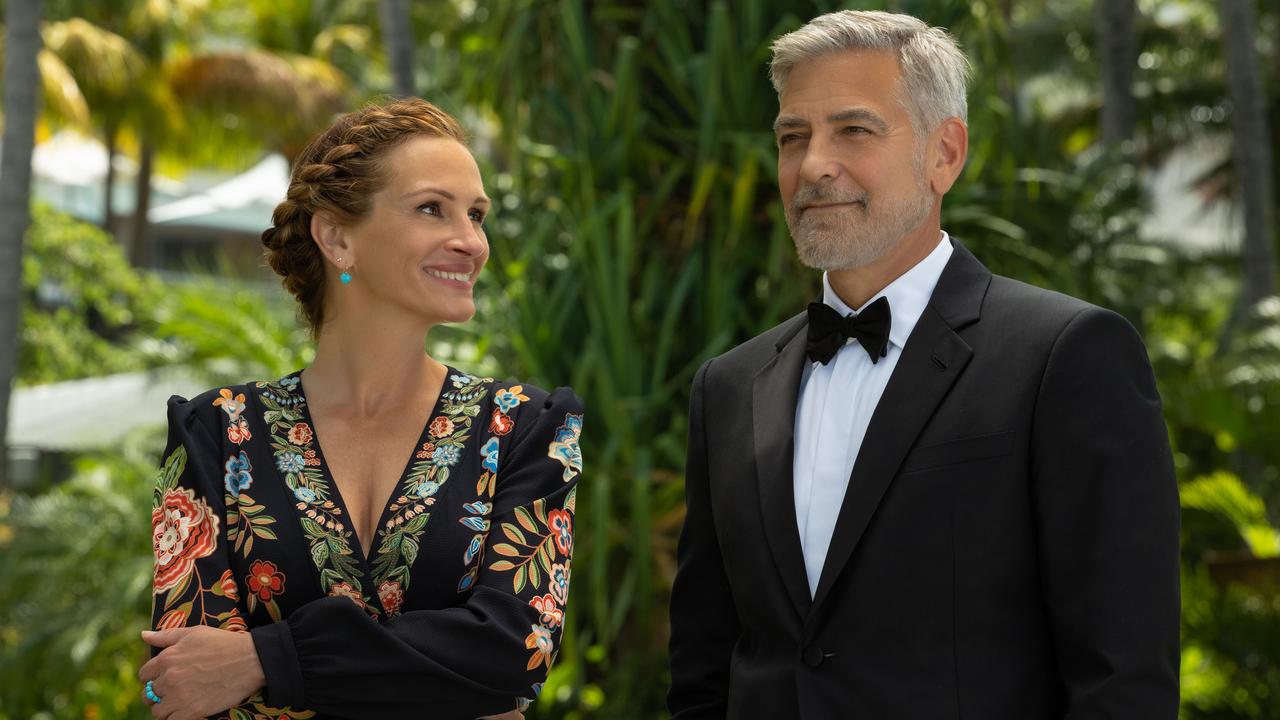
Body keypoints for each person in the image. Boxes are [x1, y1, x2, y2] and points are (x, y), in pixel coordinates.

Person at [667, 10, 1179, 719]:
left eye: (854, 130)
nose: (813, 164)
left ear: (945, 153)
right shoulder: (727, 387)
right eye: (793, 137)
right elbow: (704, 667)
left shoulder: (1067, 355)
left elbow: (1122, 679)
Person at [139, 98, 584, 720]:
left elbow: (515, 650)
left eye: (477, 215)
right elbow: (185, 680)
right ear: (337, 236)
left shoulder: (524, 429)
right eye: (433, 208)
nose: (471, 242)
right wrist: (439, 666)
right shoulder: (215, 432)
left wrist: (265, 661)